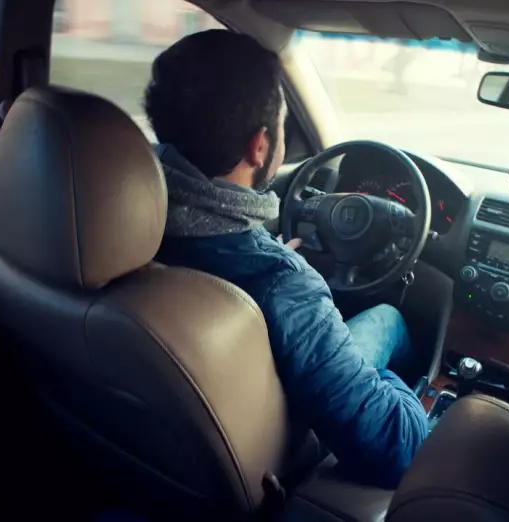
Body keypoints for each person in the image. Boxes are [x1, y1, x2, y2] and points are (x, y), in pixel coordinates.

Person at [143, 29, 429, 488]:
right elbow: (396, 448)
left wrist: (279, 260)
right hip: (275, 450)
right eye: (281, 125)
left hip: (159, 454)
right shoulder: (282, 284)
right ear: (260, 146)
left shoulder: (123, 221)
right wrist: (410, 393)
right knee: (390, 319)